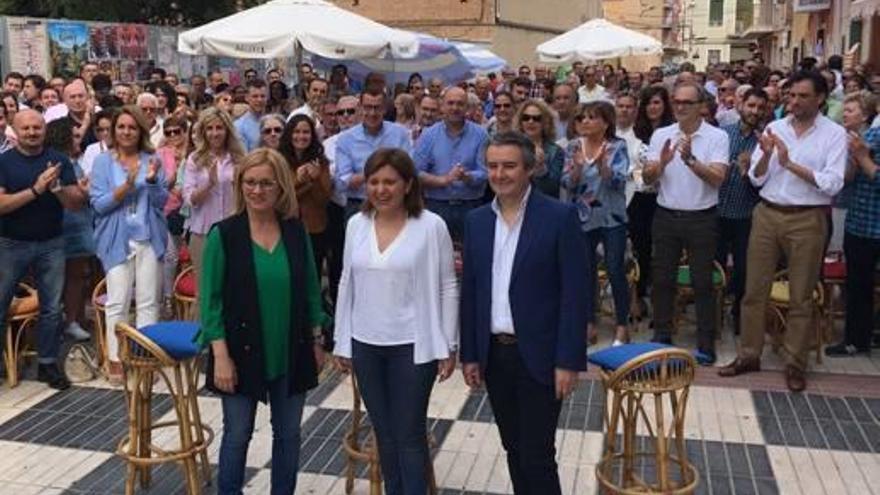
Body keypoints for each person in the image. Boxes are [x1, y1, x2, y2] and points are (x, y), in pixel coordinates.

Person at [460, 131, 588, 495]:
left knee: (537, 455)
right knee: (513, 448)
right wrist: (471, 353)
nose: (499, 174)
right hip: (496, 355)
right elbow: (471, 292)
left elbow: (575, 295)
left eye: (509, 166)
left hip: (541, 355)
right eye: (493, 166)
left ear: (529, 169)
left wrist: (567, 360)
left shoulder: (559, 217)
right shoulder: (477, 221)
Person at [199, 148, 328, 495]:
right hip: (237, 352)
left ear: (281, 187)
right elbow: (209, 303)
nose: (257, 191)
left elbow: (311, 290)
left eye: (266, 184)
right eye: (250, 183)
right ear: (240, 186)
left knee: (289, 435)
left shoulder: (295, 232)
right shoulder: (223, 235)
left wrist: (317, 339)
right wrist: (220, 356)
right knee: (238, 434)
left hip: (291, 348)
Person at [334, 147, 458, 495]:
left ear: (407, 185)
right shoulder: (356, 225)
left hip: (413, 346)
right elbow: (347, 282)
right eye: (374, 182)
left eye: (390, 182)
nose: (381, 190)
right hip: (366, 344)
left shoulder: (432, 226)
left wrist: (448, 343)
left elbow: (449, 285)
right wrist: (342, 341)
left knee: (409, 435)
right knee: (385, 435)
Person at [718, 71, 847, 391]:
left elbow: (832, 183)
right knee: (753, 290)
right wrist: (764, 160)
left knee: (801, 295)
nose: (794, 102)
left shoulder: (834, 135)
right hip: (767, 213)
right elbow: (759, 179)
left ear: (820, 99)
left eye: (803, 96)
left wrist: (789, 163)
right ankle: (749, 354)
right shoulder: (775, 128)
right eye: (791, 96)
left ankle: (795, 363)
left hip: (807, 218)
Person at [643, 82, 729, 364]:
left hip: (701, 217)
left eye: (686, 103)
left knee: (702, 282)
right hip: (666, 214)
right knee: (662, 279)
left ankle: (706, 341)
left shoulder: (717, 136)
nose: (679, 107)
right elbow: (647, 178)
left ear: (701, 106)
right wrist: (663, 163)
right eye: (676, 101)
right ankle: (662, 334)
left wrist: (690, 160)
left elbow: (718, 178)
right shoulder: (661, 135)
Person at [0, 110, 86, 389]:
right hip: (11, 243)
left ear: (44, 130)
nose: (32, 132)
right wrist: (36, 190)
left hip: (52, 242)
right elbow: (1, 205)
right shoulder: (4, 162)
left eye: (37, 127)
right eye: (26, 128)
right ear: (15, 130)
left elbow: (75, 203)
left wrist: (57, 187)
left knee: (51, 308)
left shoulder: (59, 160)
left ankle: (47, 364)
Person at [90, 105, 168, 383]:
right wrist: (128, 185)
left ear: (140, 131)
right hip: (116, 239)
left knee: (148, 301)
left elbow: (162, 203)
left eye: (132, 127)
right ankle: (116, 358)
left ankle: (146, 356)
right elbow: (99, 205)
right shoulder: (103, 162)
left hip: (149, 238)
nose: (126, 132)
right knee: (118, 300)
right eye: (121, 127)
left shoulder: (152, 159)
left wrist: (151, 181)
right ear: (113, 131)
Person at [562, 102, 630, 345]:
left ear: (606, 122)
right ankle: (588, 321)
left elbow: (618, 182)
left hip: (612, 217)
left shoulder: (617, 146)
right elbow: (567, 183)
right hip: (582, 217)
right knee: (585, 271)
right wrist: (578, 168)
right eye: (582, 118)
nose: (585, 122)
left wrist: (602, 166)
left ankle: (622, 324)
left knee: (615, 269)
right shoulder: (572, 146)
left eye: (592, 117)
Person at [826, 92, 880, 357]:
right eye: (844, 109)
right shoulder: (851, 140)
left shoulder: (873, 137)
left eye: (851, 110)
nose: (844, 114)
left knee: (861, 286)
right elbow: (847, 179)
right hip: (858, 222)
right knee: (857, 285)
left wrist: (862, 156)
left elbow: (874, 176)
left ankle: (859, 338)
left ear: (865, 114)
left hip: (872, 224)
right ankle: (857, 338)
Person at [716, 88, 769, 335]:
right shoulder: (722, 135)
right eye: (751, 105)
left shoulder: (764, 142)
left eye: (760, 107)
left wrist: (747, 172)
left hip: (746, 215)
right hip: (715, 211)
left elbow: (767, 184)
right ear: (741, 106)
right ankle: (713, 314)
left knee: (744, 269)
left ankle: (738, 313)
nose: (754, 111)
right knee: (713, 266)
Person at [415, 86, 489, 242]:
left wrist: (467, 177)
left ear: (467, 107)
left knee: (471, 255)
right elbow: (416, 172)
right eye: (450, 103)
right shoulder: (429, 135)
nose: (455, 108)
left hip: (471, 206)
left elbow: (485, 172)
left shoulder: (481, 134)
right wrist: (444, 180)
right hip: (437, 206)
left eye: (460, 104)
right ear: (442, 105)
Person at [183, 107, 245, 286]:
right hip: (203, 232)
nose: (215, 133)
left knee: (234, 285)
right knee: (206, 286)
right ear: (203, 132)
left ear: (227, 131)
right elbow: (189, 199)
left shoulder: (239, 158)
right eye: (210, 128)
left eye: (219, 128)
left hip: (234, 228)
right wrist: (209, 184)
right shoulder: (195, 159)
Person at [47, 117, 94, 342]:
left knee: (77, 274)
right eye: (75, 135)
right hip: (58, 226)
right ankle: (55, 322)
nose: (79, 139)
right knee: (55, 278)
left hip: (79, 224)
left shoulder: (77, 162)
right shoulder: (52, 163)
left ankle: (72, 321)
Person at [629, 86, 674, 312]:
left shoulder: (673, 132)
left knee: (663, 252)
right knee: (641, 248)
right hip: (639, 198)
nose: (652, 107)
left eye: (657, 102)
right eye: (648, 103)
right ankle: (639, 296)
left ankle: (663, 299)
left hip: (665, 197)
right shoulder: (636, 133)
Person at [335, 90, 413, 217]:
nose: (372, 113)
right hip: (358, 205)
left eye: (377, 108)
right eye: (368, 107)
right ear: (360, 108)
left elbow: (409, 170)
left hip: (393, 204)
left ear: (384, 109)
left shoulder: (400, 134)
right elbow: (342, 182)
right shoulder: (346, 139)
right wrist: (376, 171)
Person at [280, 114, 332, 275]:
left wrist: (315, 180)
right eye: (296, 132)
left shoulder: (321, 162)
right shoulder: (279, 161)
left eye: (306, 132)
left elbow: (324, 199)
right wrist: (299, 181)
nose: (301, 136)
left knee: (312, 274)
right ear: (289, 134)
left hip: (314, 229)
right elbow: (281, 198)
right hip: (285, 227)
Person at [155, 114, 190, 317]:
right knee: (170, 255)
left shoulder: (192, 153)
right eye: (168, 132)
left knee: (187, 256)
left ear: (185, 132)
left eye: (177, 131)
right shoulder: (160, 154)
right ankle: (168, 298)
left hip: (189, 209)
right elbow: (158, 185)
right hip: (167, 209)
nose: (173, 135)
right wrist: (173, 176)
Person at [514, 99, 563, 198]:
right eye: (526, 117)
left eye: (537, 118)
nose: (530, 122)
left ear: (545, 122)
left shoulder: (555, 151)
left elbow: (553, 188)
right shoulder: (511, 147)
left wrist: (541, 169)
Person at [233, 79, 268, 152]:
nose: (259, 100)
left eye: (263, 96)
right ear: (247, 98)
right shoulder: (239, 126)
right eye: (255, 96)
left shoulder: (273, 122)